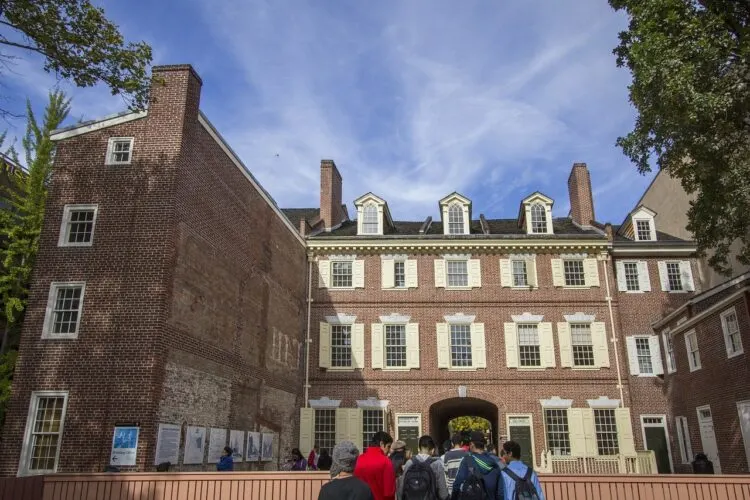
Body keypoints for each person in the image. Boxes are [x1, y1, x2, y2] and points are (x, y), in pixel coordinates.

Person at [452, 431, 503, 499]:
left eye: (470, 444)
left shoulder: (467, 460)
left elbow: (457, 484)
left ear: (472, 444)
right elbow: (500, 493)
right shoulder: (495, 463)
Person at [400, 435, 449, 500]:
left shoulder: (409, 463)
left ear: (419, 449)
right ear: (433, 450)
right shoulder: (436, 464)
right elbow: (443, 494)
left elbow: (401, 488)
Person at [355, 431, 397, 500]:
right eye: (388, 446)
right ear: (381, 444)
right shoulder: (386, 462)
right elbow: (389, 492)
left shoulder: (359, 459)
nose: (389, 451)